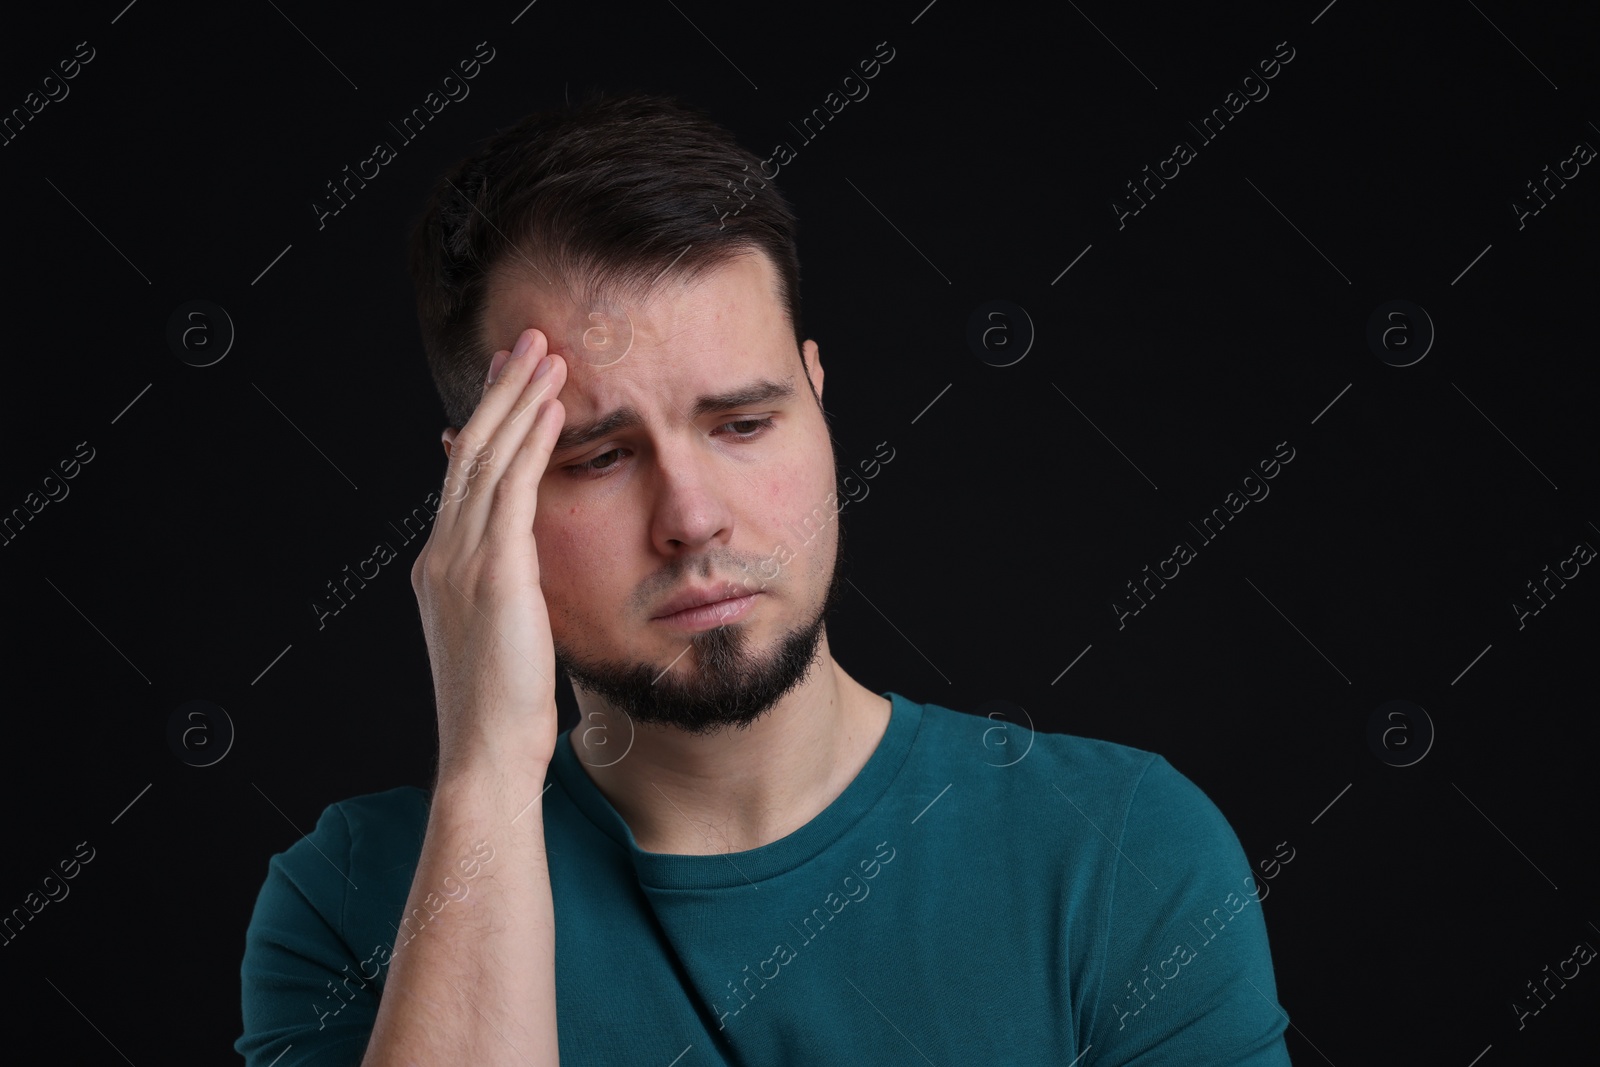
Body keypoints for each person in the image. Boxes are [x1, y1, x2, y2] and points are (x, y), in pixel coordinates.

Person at [236, 92, 1292, 1066]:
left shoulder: (1119, 852)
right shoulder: (352, 900)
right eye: (598, 457)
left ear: (819, 398)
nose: (692, 517)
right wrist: (487, 776)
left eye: (742, 423)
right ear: (481, 486)